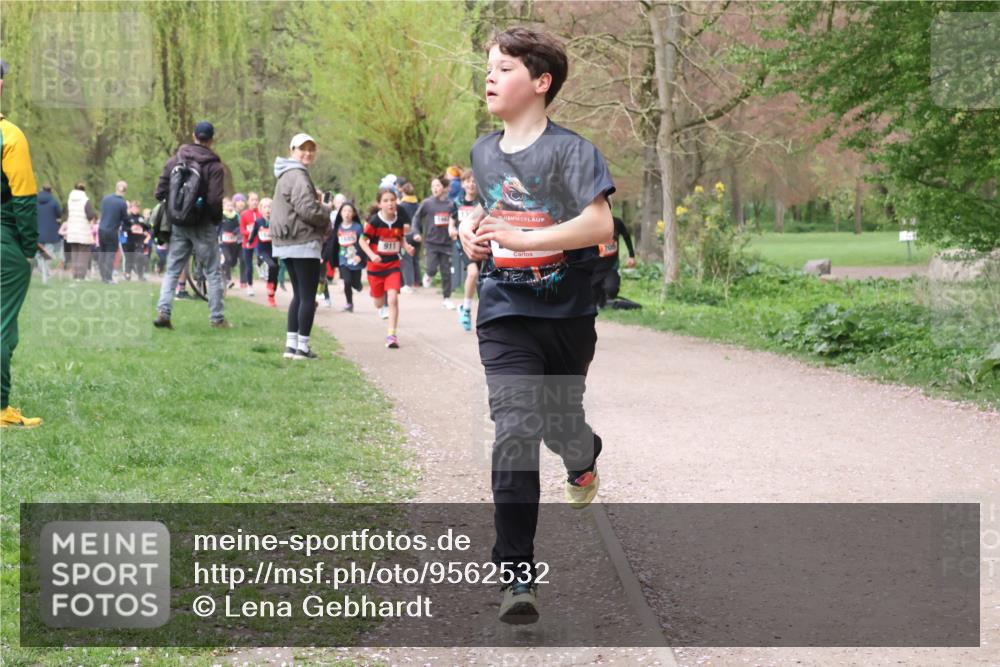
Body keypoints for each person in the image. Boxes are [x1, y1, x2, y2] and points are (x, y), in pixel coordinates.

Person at [458, 27, 615, 624]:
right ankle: (516, 578)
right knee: (516, 429)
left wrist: (527, 238)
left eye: (503, 68)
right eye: (488, 67)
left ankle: (582, 452)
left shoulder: (573, 152)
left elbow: (598, 225)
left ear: (541, 81)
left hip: (568, 314)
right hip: (505, 312)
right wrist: (475, 233)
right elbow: (493, 211)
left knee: (559, 427)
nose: (490, 77)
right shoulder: (482, 150)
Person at [152, 120, 230, 329]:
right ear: (212, 140)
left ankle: (164, 312)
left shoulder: (175, 160)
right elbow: (214, 200)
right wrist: (214, 220)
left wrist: (176, 209)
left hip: (178, 224)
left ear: (194, 136)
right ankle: (217, 319)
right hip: (203, 224)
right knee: (212, 271)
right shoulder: (214, 166)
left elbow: (159, 192)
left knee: (173, 270)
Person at [0, 59, 42, 428]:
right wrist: (28, 248)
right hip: (4, 240)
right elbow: (25, 199)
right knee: (2, 324)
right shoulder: (10, 136)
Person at [271, 133, 333, 360]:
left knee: (299, 295)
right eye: (302, 148)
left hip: (286, 242)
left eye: (311, 149)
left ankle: (291, 346)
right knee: (307, 296)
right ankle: (302, 348)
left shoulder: (286, 174)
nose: (307, 152)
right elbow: (308, 210)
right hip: (302, 241)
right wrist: (326, 210)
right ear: (292, 151)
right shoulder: (298, 174)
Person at [359, 188, 414, 348]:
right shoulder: (374, 222)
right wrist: (372, 255)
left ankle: (391, 335)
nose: (390, 203)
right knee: (378, 303)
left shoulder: (399, 220)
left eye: (392, 200)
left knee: (393, 299)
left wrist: (406, 246)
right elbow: (362, 241)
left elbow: (400, 238)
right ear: (379, 204)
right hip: (375, 267)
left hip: (393, 265)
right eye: (386, 200)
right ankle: (376, 295)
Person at [414, 176, 456, 308]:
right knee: (431, 268)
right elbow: (416, 218)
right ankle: (429, 275)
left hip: (446, 243)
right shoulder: (427, 203)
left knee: (446, 272)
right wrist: (416, 232)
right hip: (431, 242)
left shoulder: (451, 205)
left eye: (438, 185)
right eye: (433, 186)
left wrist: (455, 230)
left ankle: (447, 298)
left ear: (443, 188)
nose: (435, 188)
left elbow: (456, 220)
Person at [449, 169, 480, 331]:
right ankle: (467, 309)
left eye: (474, 181)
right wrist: (452, 230)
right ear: (463, 184)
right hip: (465, 244)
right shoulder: (457, 202)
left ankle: (485, 315)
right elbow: (451, 221)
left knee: (484, 281)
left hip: (483, 243)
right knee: (473, 273)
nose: (471, 184)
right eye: (468, 181)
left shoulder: (483, 202)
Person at [591, 215, 635, 309]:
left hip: (612, 265)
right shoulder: (590, 223)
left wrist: (631, 256)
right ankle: (600, 299)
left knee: (612, 290)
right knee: (591, 295)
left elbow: (626, 236)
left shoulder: (617, 222)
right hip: (595, 266)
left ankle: (606, 298)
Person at [332, 202, 365, 312]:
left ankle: (358, 285)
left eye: (349, 211)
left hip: (356, 260)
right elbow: (333, 245)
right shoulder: (338, 228)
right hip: (343, 259)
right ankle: (349, 303)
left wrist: (360, 255)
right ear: (340, 213)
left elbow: (364, 242)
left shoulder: (358, 227)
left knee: (355, 283)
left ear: (354, 213)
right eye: (344, 211)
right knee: (347, 281)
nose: (347, 213)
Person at [97, 180, 128, 283]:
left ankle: (102, 276)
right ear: (125, 191)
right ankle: (108, 278)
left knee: (102, 253)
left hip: (101, 229)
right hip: (112, 231)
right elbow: (125, 219)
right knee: (110, 254)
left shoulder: (106, 199)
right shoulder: (122, 203)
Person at [249, 197, 278, 307]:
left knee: (275, 271)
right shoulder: (259, 221)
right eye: (265, 207)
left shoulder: (275, 221)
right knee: (271, 266)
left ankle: (272, 296)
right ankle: (268, 283)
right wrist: (250, 242)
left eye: (270, 207)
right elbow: (254, 233)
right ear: (261, 209)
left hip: (274, 250)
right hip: (262, 249)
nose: (268, 209)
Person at [36, 184, 63, 283]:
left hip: (37, 231)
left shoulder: (34, 200)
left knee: (39, 252)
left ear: (41, 189)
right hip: (50, 232)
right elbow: (59, 214)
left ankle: (44, 271)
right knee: (48, 253)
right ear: (51, 190)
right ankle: (46, 273)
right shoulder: (54, 202)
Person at [397, 180, 421, 292]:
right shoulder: (418, 204)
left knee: (406, 259)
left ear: (403, 193)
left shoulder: (401, 206)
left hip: (406, 233)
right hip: (417, 234)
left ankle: (408, 283)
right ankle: (417, 282)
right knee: (415, 259)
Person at [122, 200, 149, 281]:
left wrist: (145, 230)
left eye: (137, 207)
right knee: (129, 258)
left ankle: (140, 276)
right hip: (129, 240)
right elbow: (123, 228)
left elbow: (147, 227)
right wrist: (130, 229)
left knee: (140, 257)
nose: (136, 209)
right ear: (131, 208)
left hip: (139, 241)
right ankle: (127, 274)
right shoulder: (127, 218)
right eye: (134, 207)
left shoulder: (141, 218)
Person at [239, 191, 259, 294]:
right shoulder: (244, 214)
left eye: (256, 200)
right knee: (249, 266)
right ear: (248, 202)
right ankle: (250, 286)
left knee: (261, 256)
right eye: (252, 200)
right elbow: (242, 230)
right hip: (247, 243)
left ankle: (260, 266)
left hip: (259, 242)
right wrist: (251, 232)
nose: (255, 202)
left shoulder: (261, 213)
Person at [219, 196, 241, 287]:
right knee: (227, 259)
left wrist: (236, 230)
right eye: (228, 206)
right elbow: (218, 227)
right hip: (224, 243)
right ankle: (227, 279)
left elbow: (240, 226)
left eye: (231, 206)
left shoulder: (236, 216)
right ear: (223, 207)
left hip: (234, 242)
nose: (230, 207)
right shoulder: (221, 216)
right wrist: (218, 236)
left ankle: (222, 270)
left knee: (233, 261)